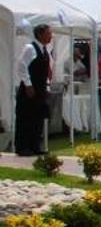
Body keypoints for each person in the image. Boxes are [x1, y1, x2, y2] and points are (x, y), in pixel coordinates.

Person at [13, 22, 54, 156]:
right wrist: (28, 84)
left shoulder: (45, 51)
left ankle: (35, 145)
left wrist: (47, 85)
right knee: (26, 118)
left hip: (40, 90)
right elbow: (21, 66)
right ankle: (23, 147)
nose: (51, 36)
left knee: (37, 119)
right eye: (48, 34)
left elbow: (45, 71)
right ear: (40, 34)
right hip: (29, 91)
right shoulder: (30, 48)